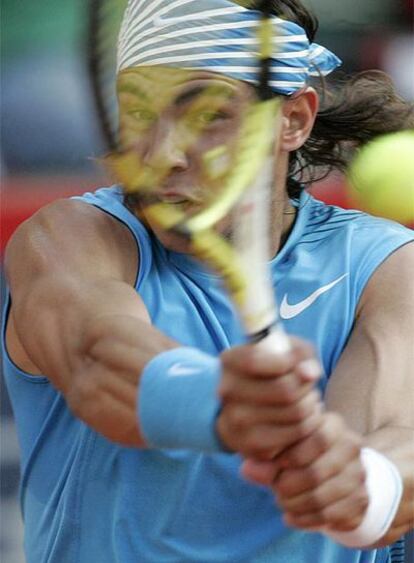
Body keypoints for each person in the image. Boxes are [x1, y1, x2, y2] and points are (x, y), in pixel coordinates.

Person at [2, 1, 414, 562]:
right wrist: (219, 403)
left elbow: (398, 437)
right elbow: (98, 361)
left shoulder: (383, 265)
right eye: (140, 114)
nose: (163, 153)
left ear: (293, 119)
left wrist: (359, 483)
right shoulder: (70, 240)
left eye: (208, 115)